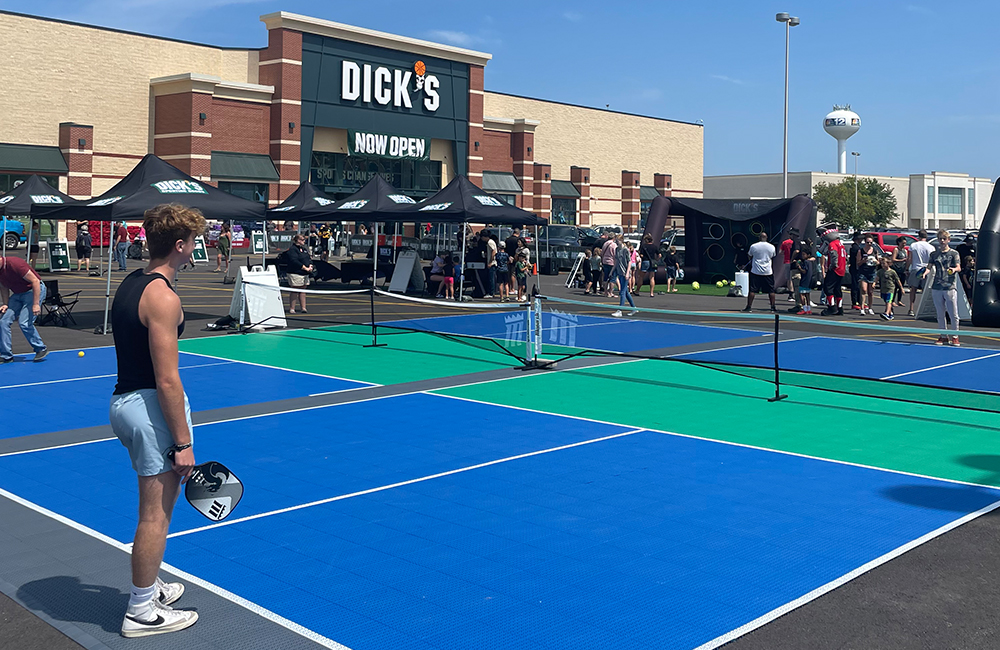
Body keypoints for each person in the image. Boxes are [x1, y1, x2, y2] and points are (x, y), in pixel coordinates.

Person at [108, 204, 203, 638]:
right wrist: (183, 443)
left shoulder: (131, 283)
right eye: (193, 242)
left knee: (153, 510)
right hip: (150, 410)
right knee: (155, 517)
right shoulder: (164, 297)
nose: (195, 249)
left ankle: (152, 585)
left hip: (125, 404)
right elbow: (167, 379)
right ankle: (141, 611)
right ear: (179, 245)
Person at [0, 255, 47, 363]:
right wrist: (6, 304)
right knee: (3, 322)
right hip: (17, 294)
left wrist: (35, 304)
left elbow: (35, 282)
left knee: (24, 322)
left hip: (32, 291)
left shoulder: (15, 264)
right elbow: (3, 287)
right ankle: (6, 355)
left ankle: (40, 348)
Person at [929, 230, 961, 345]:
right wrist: (924, 273)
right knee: (940, 313)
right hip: (937, 286)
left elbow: (958, 267)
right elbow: (929, 267)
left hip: (949, 287)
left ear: (948, 240)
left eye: (944, 239)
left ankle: (955, 336)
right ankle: (943, 335)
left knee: (953, 314)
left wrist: (954, 269)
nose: (942, 241)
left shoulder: (954, 254)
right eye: (940, 239)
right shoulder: (934, 254)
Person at [742, 232, 776, 313]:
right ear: (766, 237)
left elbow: (749, 255)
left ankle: (749, 306)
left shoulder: (754, 246)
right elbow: (772, 256)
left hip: (756, 271)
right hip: (768, 271)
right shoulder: (771, 247)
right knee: (771, 290)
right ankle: (773, 307)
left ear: (759, 237)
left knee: (752, 290)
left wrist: (752, 261)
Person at [907, 229, 935, 317]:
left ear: (919, 236)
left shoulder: (913, 245)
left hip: (916, 268)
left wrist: (906, 268)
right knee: (925, 290)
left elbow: (910, 259)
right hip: (927, 269)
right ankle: (925, 309)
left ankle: (911, 309)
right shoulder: (931, 247)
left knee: (913, 289)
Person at [285, 234, 314, 314]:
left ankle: (303, 308)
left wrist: (310, 265)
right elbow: (294, 261)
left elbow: (308, 258)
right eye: (302, 239)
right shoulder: (293, 249)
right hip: (295, 272)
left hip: (305, 273)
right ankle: (292, 308)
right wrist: (304, 267)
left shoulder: (304, 249)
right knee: (295, 290)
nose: (304, 241)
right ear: (297, 240)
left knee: (303, 290)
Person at [821, 230, 847, 316]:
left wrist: (833, 265)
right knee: (837, 288)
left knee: (828, 288)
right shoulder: (840, 244)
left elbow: (834, 254)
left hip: (835, 269)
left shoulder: (833, 244)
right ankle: (839, 308)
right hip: (842, 269)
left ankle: (832, 307)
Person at [611, 236, 637, 317]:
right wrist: (612, 271)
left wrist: (627, 272)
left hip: (625, 273)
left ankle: (620, 310)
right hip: (619, 272)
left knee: (622, 292)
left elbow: (629, 261)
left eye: (618, 240)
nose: (616, 242)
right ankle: (634, 308)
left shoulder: (625, 250)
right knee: (625, 292)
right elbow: (616, 261)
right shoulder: (617, 249)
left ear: (621, 241)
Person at [856, 234, 878, 315]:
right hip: (863, 272)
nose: (869, 244)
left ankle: (870, 307)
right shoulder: (861, 251)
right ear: (865, 242)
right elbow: (858, 263)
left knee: (870, 291)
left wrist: (876, 262)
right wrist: (863, 261)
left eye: (871, 242)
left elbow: (878, 262)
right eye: (867, 242)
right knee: (863, 289)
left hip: (872, 272)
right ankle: (862, 308)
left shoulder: (875, 250)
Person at [876, 256, 903, 321]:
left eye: (884, 263)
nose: (882, 265)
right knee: (886, 301)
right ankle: (890, 314)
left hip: (890, 288)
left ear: (888, 263)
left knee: (888, 301)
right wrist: (874, 283)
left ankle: (886, 313)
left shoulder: (892, 272)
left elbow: (897, 280)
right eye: (881, 263)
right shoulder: (880, 271)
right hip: (883, 289)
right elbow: (877, 278)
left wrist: (901, 288)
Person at [794, 247, 815, 315]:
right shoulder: (810, 262)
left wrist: (799, 267)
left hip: (804, 280)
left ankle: (804, 309)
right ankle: (808, 309)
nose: (802, 256)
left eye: (804, 254)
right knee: (807, 295)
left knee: (802, 295)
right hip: (809, 280)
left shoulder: (805, 262)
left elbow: (804, 271)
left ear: (808, 255)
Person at [847, 232, 863, 310]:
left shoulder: (856, 247)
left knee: (858, 285)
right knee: (855, 285)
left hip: (856, 268)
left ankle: (859, 301)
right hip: (854, 268)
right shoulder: (855, 248)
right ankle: (855, 302)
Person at [890, 237, 909, 307]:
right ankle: (892, 301)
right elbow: (893, 259)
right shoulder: (896, 249)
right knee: (895, 286)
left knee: (901, 286)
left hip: (902, 270)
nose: (904, 245)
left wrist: (906, 269)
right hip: (896, 269)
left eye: (905, 243)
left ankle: (899, 300)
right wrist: (902, 260)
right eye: (902, 243)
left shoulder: (905, 251)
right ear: (899, 243)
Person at [780, 230, 796, 300]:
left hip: (787, 261)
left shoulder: (785, 242)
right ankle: (795, 293)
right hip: (794, 261)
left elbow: (780, 252)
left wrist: (785, 252)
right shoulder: (795, 242)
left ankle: (791, 294)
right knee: (795, 277)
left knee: (789, 279)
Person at [485, 231, 498, 298]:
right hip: (492, 262)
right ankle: (492, 292)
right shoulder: (491, 242)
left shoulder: (490, 242)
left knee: (491, 278)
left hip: (492, 263)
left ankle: (491, 292)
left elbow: (494, 251)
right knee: (492, 278)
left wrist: (490, 262)